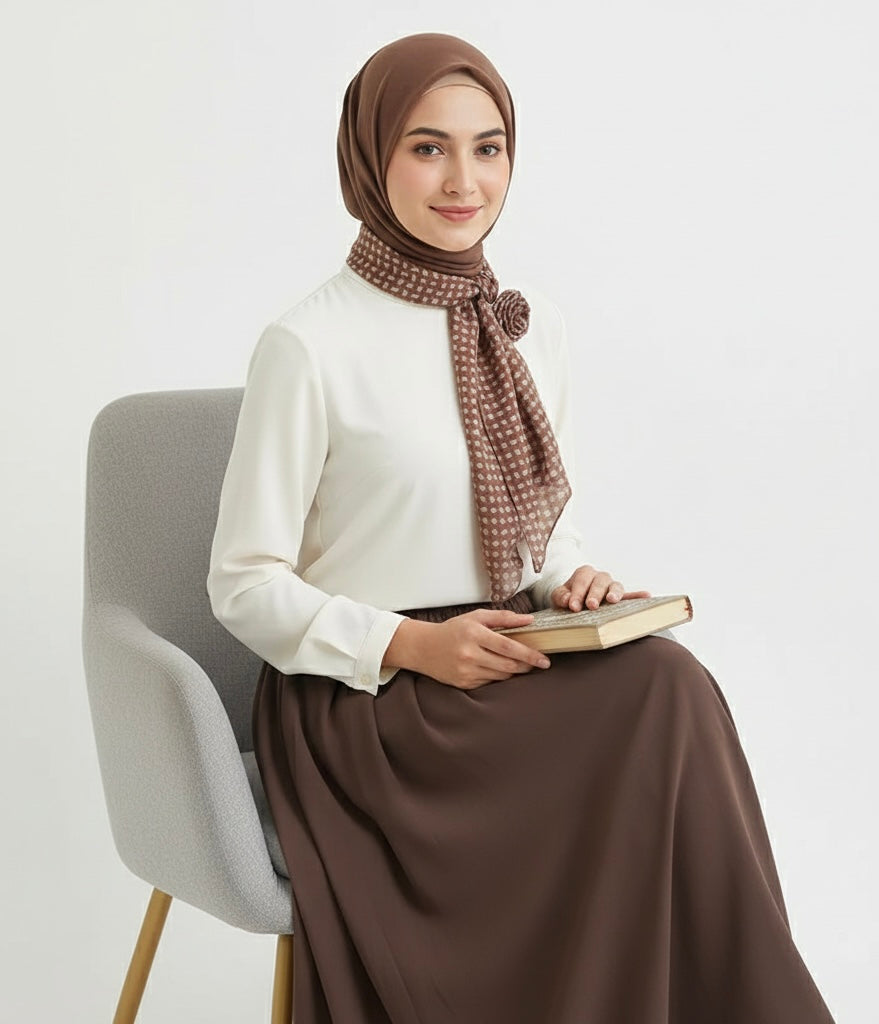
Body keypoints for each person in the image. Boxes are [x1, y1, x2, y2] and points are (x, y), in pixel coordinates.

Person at [206, 31, 837, 1024]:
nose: (464, 179)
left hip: (503, 650)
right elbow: (241, 582)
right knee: (662, 707)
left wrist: (566, 585)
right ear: (371, 159)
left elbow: (543, 531)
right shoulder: (308, 343)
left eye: (488, 147)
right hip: (373, 701)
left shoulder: (524, 325)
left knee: (672, 685)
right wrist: (414, 643)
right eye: (427, 147)